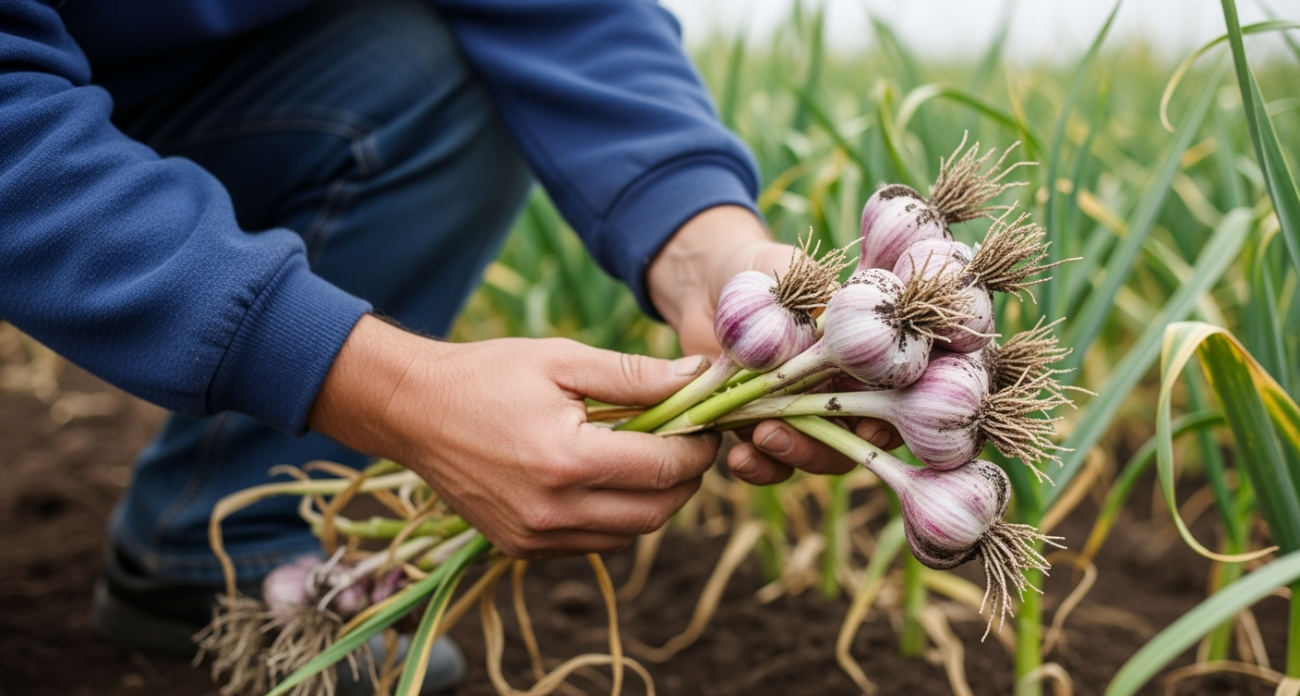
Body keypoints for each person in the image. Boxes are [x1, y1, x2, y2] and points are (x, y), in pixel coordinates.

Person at [1, 0, 900, 690]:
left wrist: (704, 241)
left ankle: (212, 559)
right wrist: (391, 390)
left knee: (425, 71)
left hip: (161, 80)